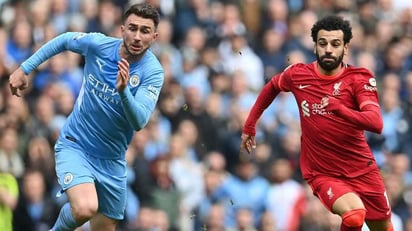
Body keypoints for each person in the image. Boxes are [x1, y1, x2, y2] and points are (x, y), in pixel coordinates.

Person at [9, 3, 163, 231]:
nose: (137, 36)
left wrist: (123, 92)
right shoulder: (98, 45)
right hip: (76, 145)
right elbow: (64, 39)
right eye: (133, 28)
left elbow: (139, 121)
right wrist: (24, 68)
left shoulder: (153, 71)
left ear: (155, 37)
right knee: (85, 208)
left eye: (145, 31)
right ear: (122, 30)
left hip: (112, 161)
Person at [240, 15, 394, 231]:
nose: (328, 49)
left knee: (383, 228)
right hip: (323, 172)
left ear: (346, 48)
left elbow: (376, 123)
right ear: (315, 46)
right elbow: (272, 86)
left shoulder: (359, 78)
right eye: (323, 43)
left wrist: (340, 109)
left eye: (335, 44)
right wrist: (250, 125)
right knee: (354, 216)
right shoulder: (298, 74)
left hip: (362, 168)